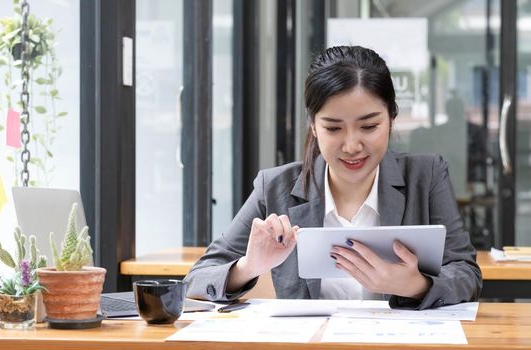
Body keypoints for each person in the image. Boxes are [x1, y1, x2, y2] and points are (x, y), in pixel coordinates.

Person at [184, 45, 482, 309]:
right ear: (313, 126)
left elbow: (466, 273)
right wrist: (249, 267)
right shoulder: (275, 188)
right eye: (333, 128)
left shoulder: (426, 175)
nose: (352, 146)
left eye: (368, 127)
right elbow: (197, 279)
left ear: (391, 118)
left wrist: (416, 285)